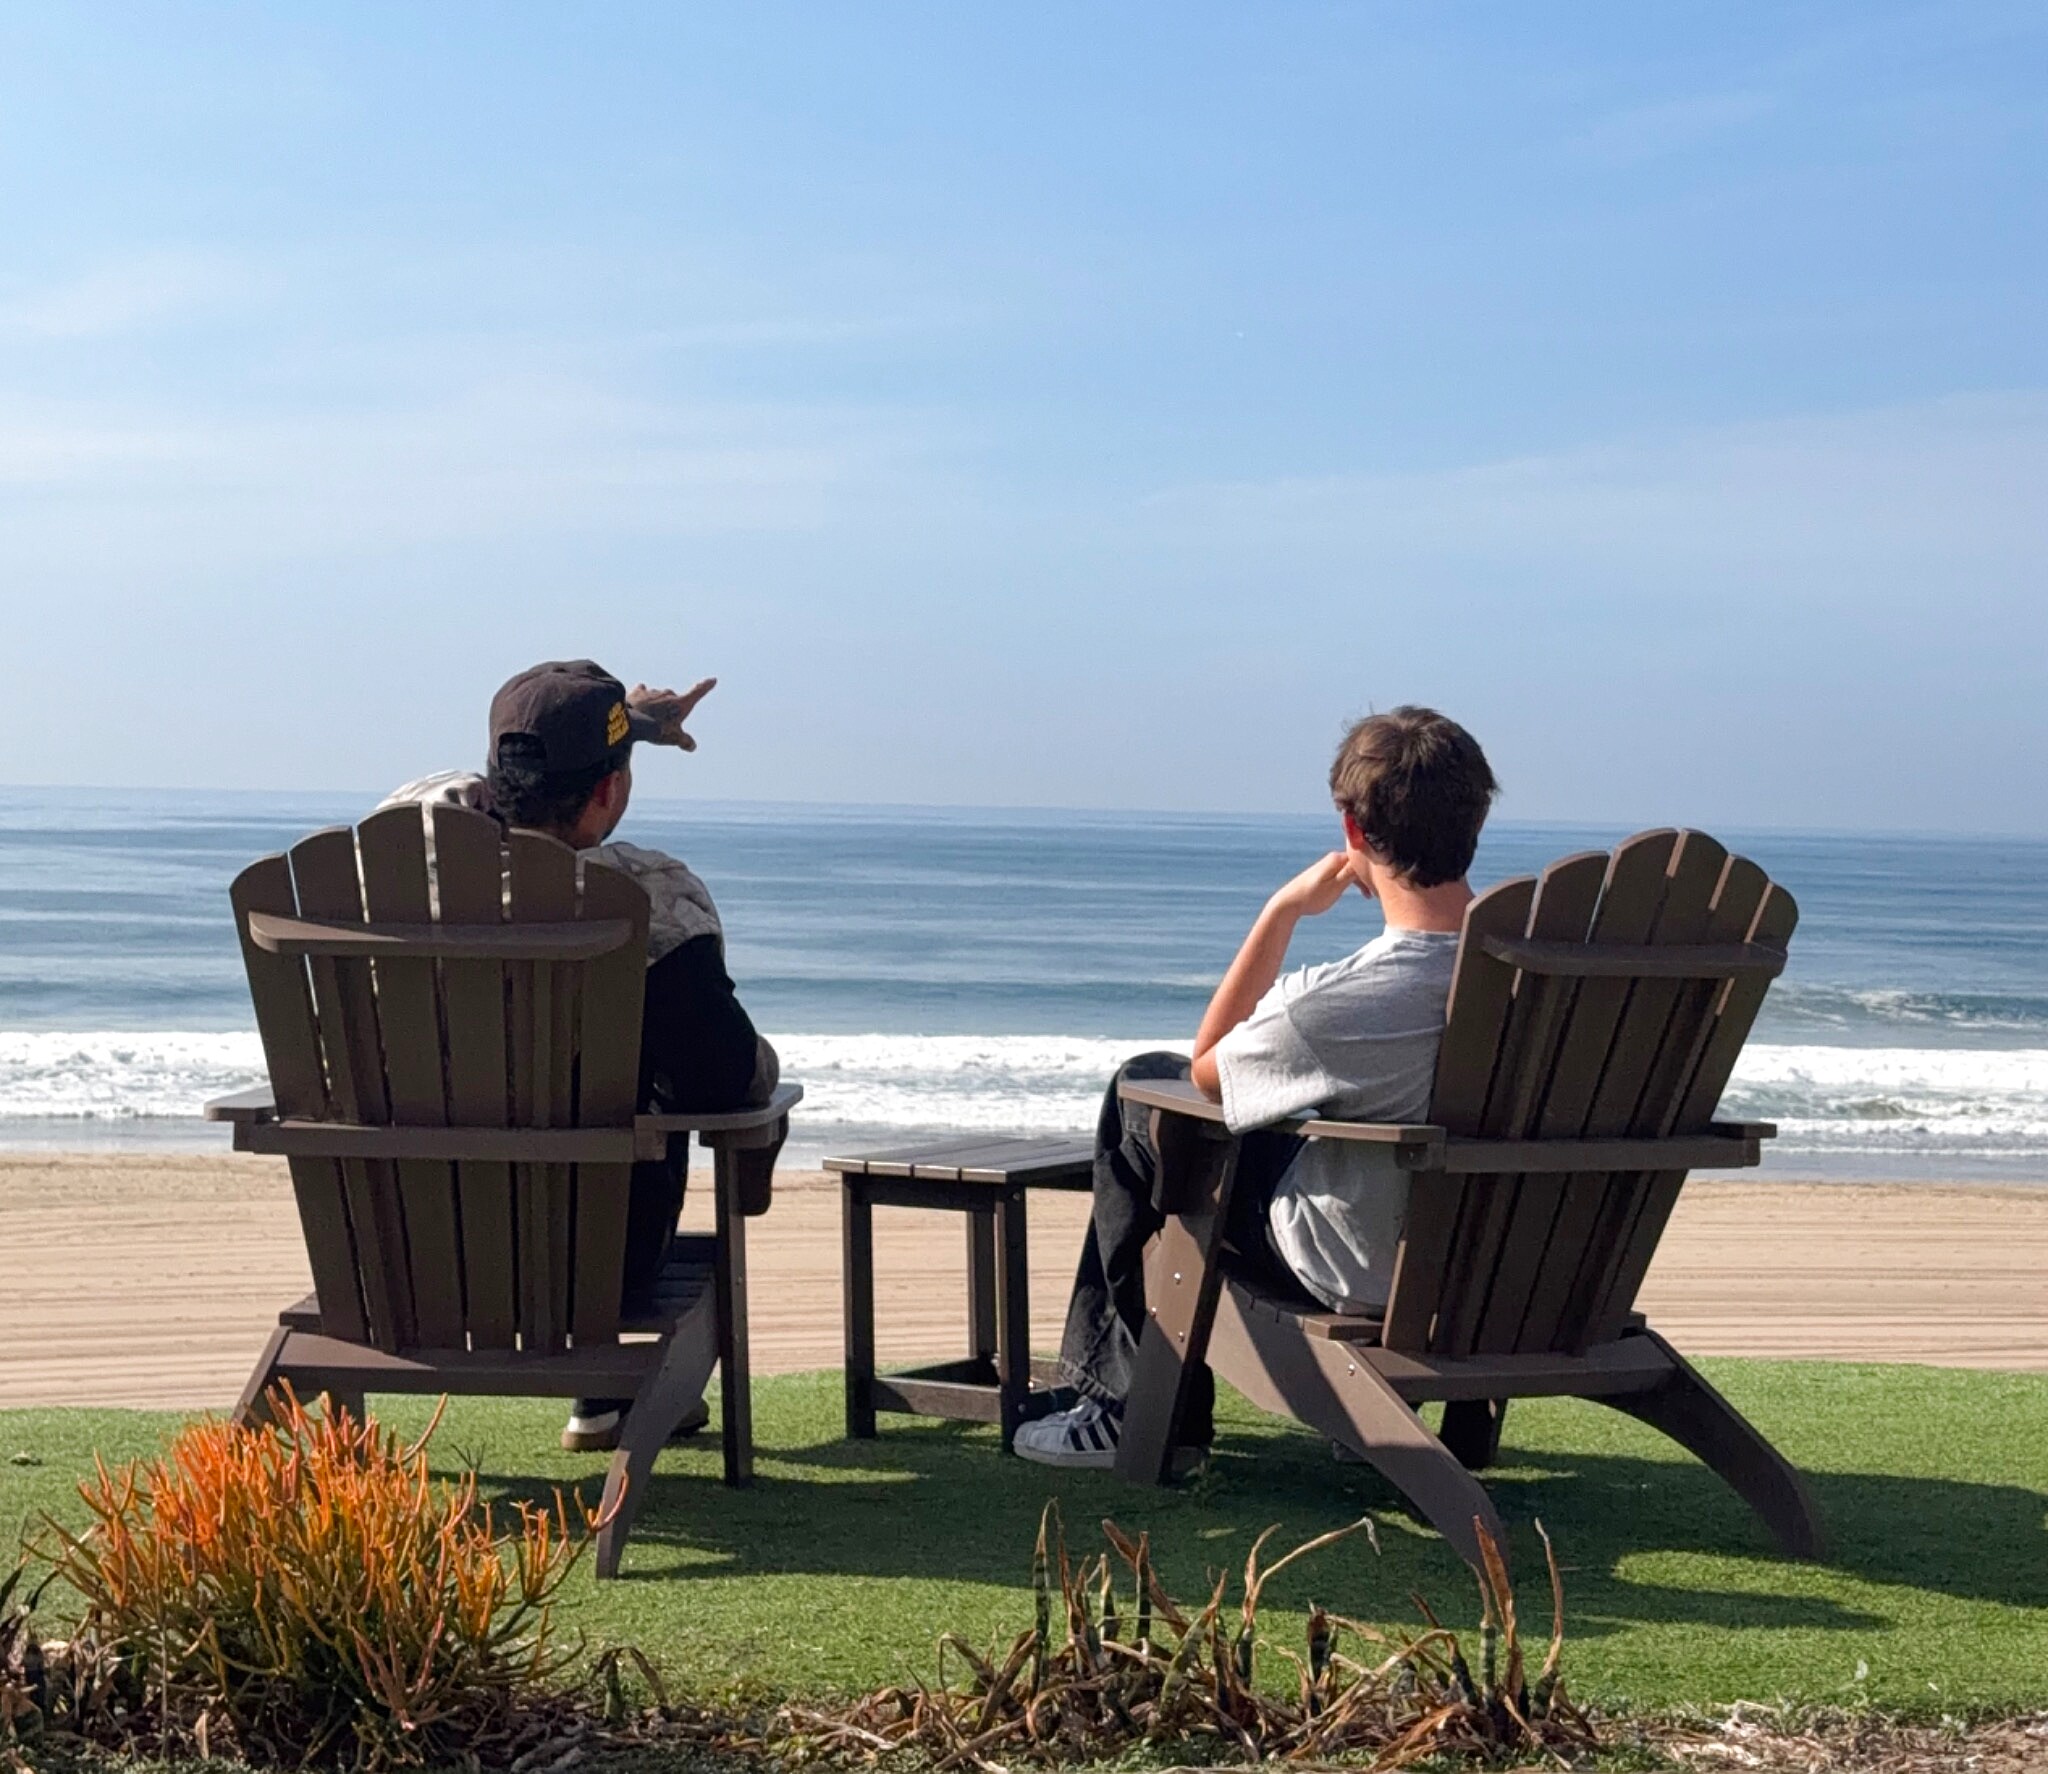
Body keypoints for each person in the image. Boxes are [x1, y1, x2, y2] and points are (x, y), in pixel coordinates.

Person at [1014, 706, 1497, 1469]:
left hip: (1366, 1270)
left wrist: (1281, 912)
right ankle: (1464, 1420)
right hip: (1502, 1274)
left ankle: (1127, 1408)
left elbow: (1208, 1071)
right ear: (1475, 823)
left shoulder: (1347, 1000)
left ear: (1356, 833)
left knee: (1143, 1095)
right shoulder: (1544, 981)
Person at [381, 659, 778, 1452]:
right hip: (593, 1275)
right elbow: (725, 1084)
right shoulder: (645, 904)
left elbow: (453, 799)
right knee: (686, 1084)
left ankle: (603, 1403)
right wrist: (765, 1081)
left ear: (496, 773)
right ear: (611, 793)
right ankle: (604, 1390)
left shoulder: (393, 865)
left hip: (399, 1259)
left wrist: (623, 723)